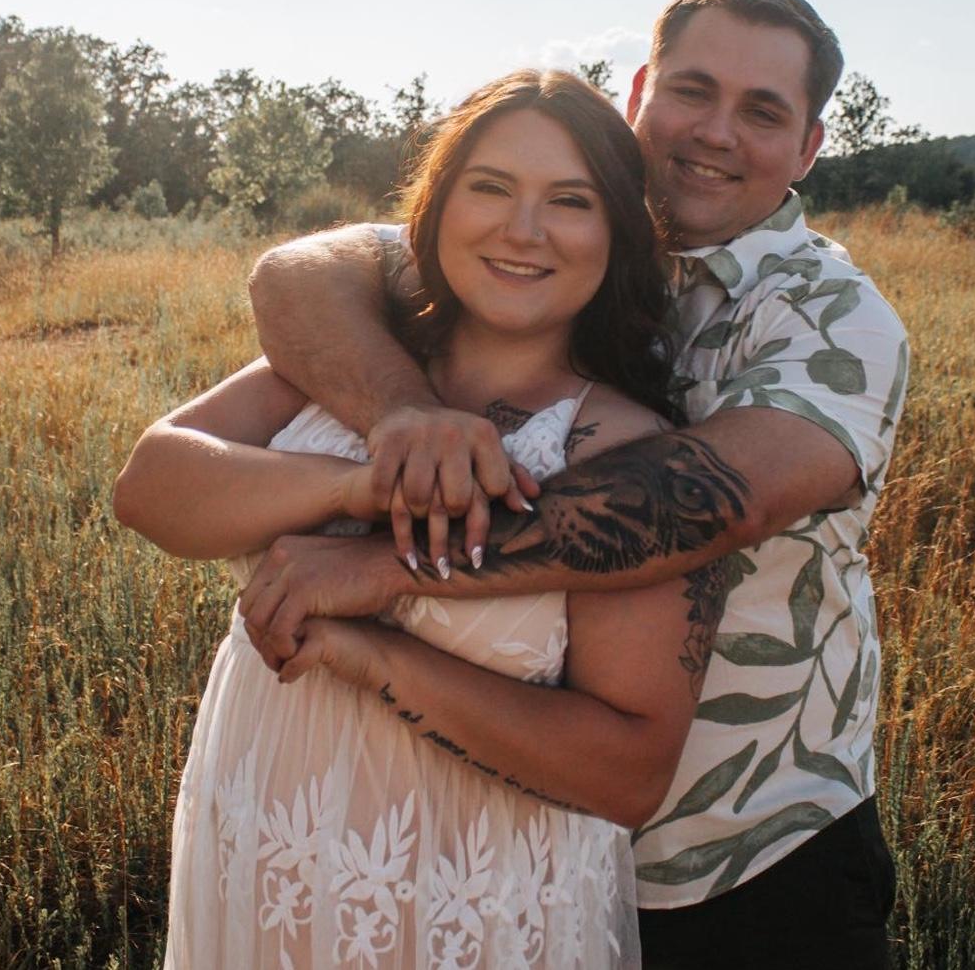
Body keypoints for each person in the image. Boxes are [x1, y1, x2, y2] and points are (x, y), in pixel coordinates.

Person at [238, 0, 909, 970]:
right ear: (640, 92)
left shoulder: (835, 322)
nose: (714, 132)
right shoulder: (558, 232)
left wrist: (382, 566)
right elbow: (298, 276)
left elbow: (695, 504)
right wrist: (404, 412)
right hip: (513, 842)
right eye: (691, 90)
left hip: (745, 851)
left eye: (762, 112)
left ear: (808, 146)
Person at [115, 71, 733, 968]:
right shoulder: (351, 362)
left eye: (571, 201)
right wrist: (362, 486)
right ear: (436, 209)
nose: (523, 230)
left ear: (617, 235)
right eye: (491, 187)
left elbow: (626, 773)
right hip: (261, 852)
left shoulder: (624, 451)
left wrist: (373, 657)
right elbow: (149, 488)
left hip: (467, 907)